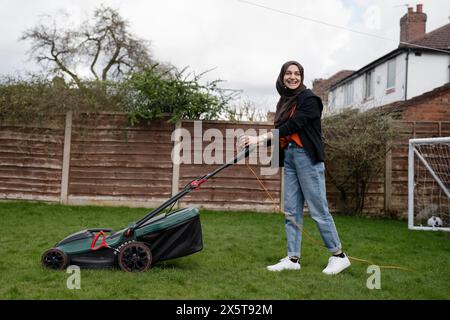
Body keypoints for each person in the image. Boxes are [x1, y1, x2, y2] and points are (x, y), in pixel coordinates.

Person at [239, 60, 350, 275]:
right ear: (282, 76)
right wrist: (255, 143)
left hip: (307, 157)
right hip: (289, 156)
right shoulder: (285, 100)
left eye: (296, 73)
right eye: (288, 73)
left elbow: (293, 125)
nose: (292, 77)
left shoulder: (310, 99)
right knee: (291, 211)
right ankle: (292, 258)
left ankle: (338, 256)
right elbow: (284, 132)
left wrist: (259, 139)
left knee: (318, 209)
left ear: (302, 76)